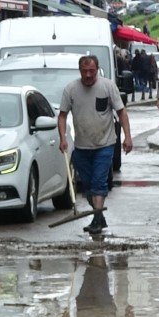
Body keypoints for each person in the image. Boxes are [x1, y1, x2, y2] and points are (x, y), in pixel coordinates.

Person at [58, 54, 133, 236]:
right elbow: (62, 115)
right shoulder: (71, 90)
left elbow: (121, 112)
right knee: (89, 188)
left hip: (105, 144)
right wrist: (63, 138)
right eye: (85, 72)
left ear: (97, 69)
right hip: (82, 146)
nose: (89, 75)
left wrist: (127, 137)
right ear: (80, 71)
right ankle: (99, 217)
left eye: (92, 71)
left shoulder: (107, 86)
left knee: (99, 182)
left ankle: (97, 221)